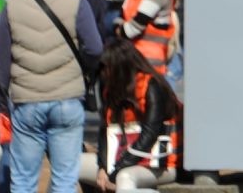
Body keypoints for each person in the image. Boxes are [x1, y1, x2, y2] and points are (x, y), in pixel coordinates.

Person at [0, 0, 104, 192]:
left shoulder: (13, 4)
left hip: (27, 101)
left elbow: (1, 62)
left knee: (23, 179)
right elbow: (95, 47)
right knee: (65, 178)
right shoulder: (76, 0)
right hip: (67, 98)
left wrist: (1, 102)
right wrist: (81, 70)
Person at [78, 39, 182, 191]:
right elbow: (104, 133)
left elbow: (149, 135)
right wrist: (102, 168)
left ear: (121, 67)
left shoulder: (152, 86)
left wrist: (114, 172)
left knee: (124, 178)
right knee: (71, 165)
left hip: (161, 164)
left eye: (107, 68)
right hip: (121, 161)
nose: (103, 74)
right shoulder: (111, 90)